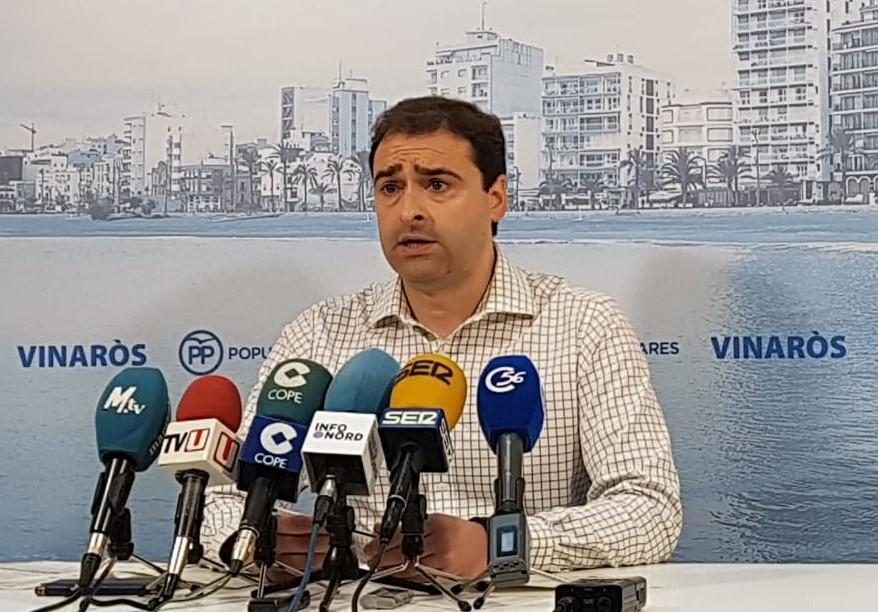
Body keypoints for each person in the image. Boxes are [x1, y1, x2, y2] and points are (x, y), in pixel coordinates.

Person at [201, 96, 682, 581]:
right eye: (390, 187)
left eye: (437, 184)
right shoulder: (319, 333)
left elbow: (650, 510)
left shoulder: (584, 324)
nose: (409, 210)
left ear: (496, 197)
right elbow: (217, 499)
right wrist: (252, 536)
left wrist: (501, 545)